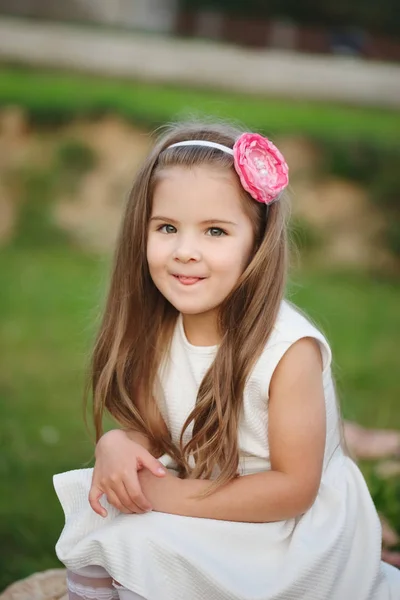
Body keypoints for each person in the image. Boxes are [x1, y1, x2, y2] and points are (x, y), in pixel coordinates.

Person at [53, 120, 400, 600]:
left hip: (289, 533)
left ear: (256, 244)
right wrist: (117, 444)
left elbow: (294, 489)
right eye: (167, 228)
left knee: (140, 539)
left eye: (215, 231)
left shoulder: (287, 350)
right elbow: (155, 431)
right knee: (100, 525)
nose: (186, 252)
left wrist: (166, 496)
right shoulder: (158, 330)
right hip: (210, 496)